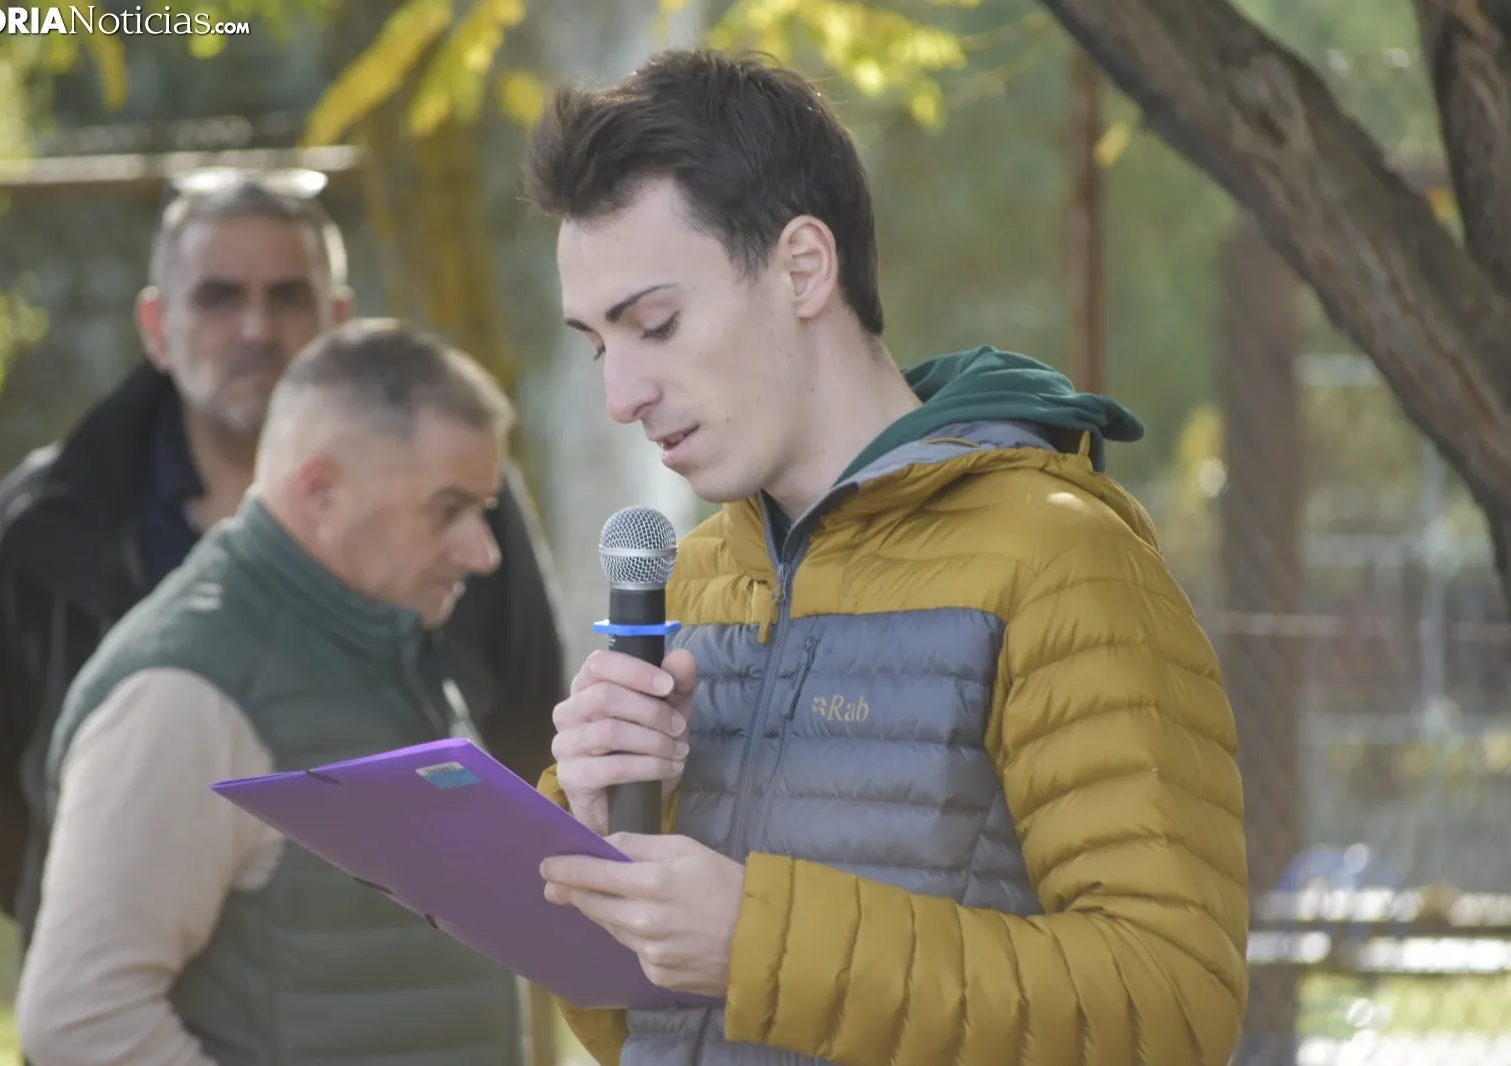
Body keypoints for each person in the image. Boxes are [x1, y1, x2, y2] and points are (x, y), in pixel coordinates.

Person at [522, 48, 1249, 1066]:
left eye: (657, 324)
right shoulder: (687, 582)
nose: (621, 394)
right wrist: (598, 834)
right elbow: (636, 1028)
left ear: (802, 267)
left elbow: (1171, 1007)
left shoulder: (1056, 559)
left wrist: (758, 942)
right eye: (601, 345)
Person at [0, 170, 565, 949]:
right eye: (218, 298)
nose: (256, 330)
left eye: (289, 297)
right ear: (156, 326)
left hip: (401, 971)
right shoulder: (44, 522)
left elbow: (527, 730)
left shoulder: (461, 503)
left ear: (340, 320)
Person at [15, 319, 532, 1064]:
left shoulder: (378, 635)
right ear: (320, 490)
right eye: (448, 509)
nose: (483, 553)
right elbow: (80, 1018)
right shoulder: (183, 694)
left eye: (483, 510)